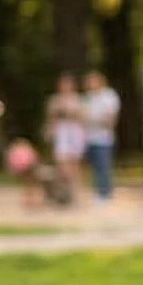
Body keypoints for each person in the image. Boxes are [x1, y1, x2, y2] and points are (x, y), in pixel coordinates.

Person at [45, 74, 85, 202]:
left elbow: (82, 117)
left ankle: (75, 193)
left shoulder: (78, 100)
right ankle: (63, 194)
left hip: (74, 132)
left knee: (75, 164)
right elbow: (51, 118)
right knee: (61, 162)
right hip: (61, 132)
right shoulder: (55, 100)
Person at [81, 70, 121, 201]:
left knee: (104, 165)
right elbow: (82, 117)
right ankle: (99, 191)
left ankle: (106, 193)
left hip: (103, 138)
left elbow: (110, 120)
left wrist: (93, 120)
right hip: (89, 137)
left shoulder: (109, 96)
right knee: (95, 166)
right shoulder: (87, 98)